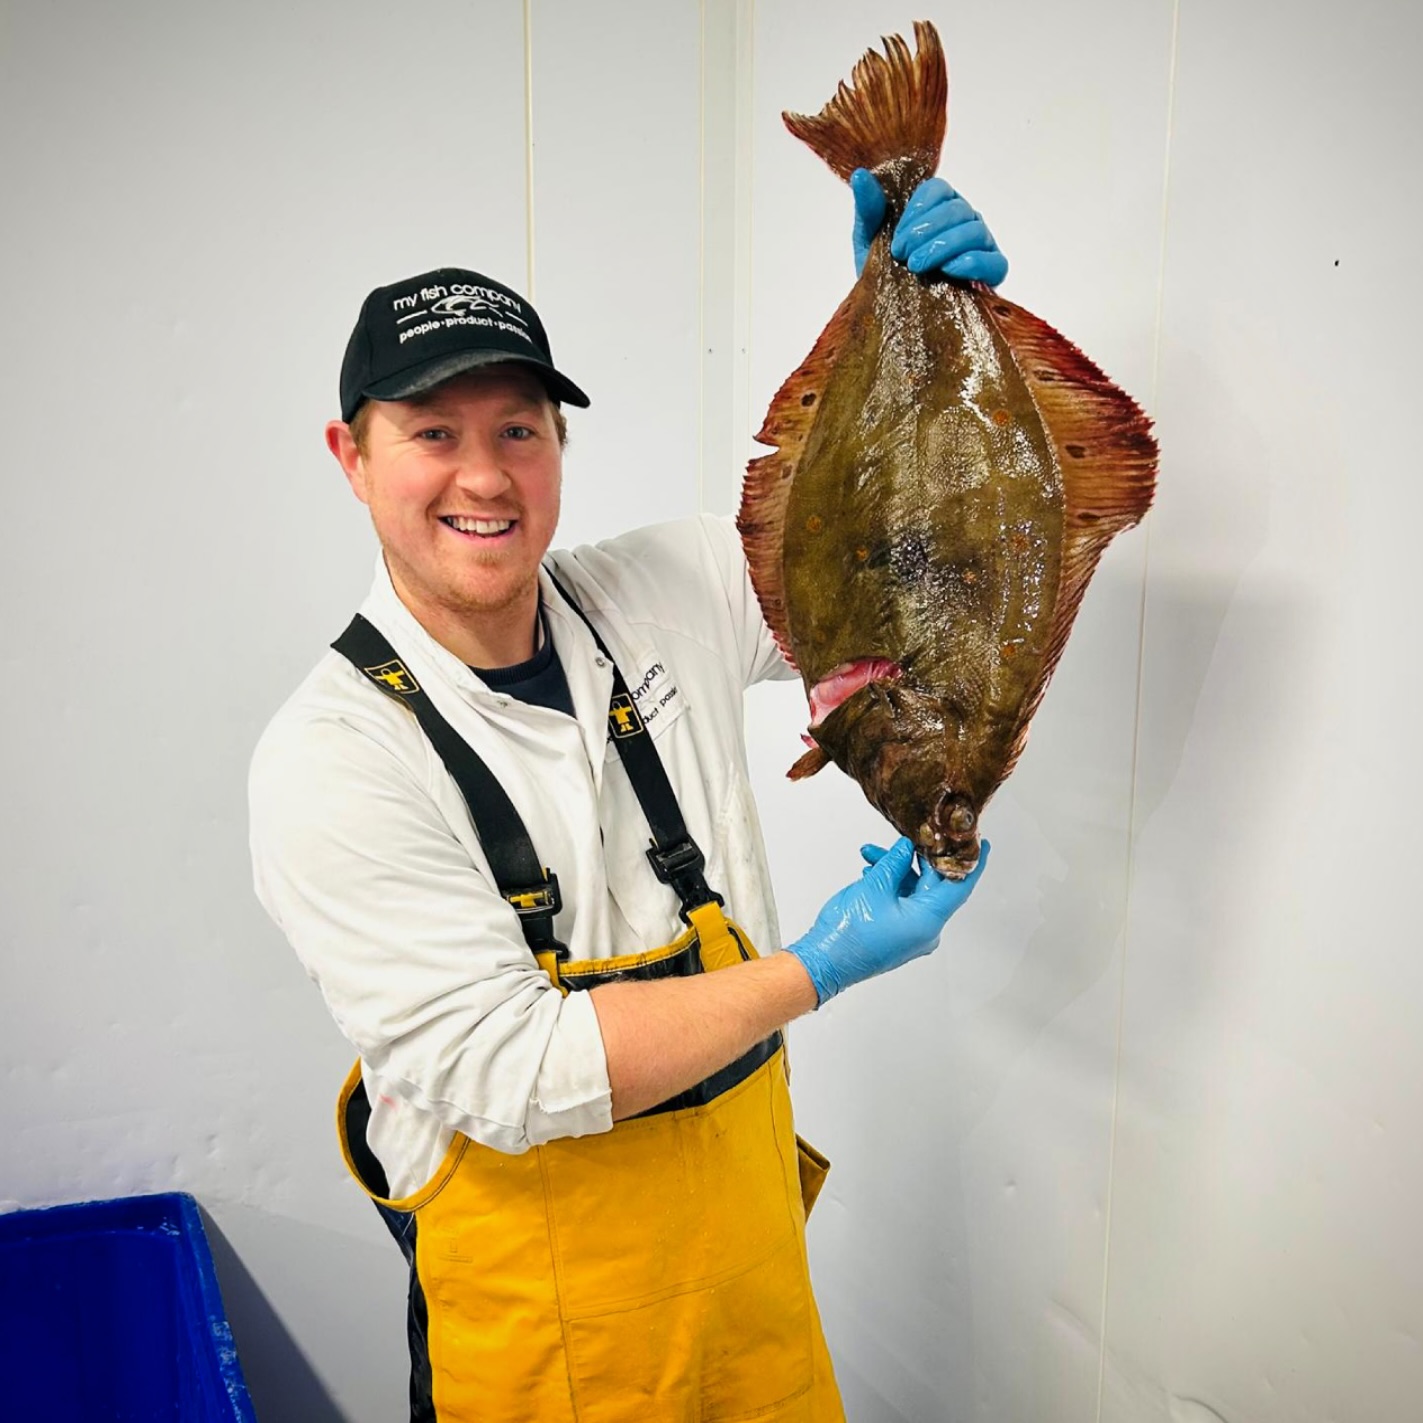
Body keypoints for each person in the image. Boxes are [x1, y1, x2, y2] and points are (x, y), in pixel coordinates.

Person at [248, 171, 1004, 1422]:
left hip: (757, 1312)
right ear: (351, 455)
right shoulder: (331, 759)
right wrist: (819, 963)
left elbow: (886, 570)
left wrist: (910, 334)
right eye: (434, 432)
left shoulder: (673, 584)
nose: (484, 477)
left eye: (520, 429)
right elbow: (516, 1070)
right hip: (545, 1362)